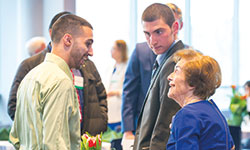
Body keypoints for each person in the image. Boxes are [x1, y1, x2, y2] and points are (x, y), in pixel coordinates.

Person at [7, 11, 107, 136]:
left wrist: (99, 124)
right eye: (87, 43)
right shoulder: (32, 67)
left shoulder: (88, 65)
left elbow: (101, 96)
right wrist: (38, 133)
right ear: (66, 38)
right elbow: (14, 107)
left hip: (85, 139)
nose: (91, 52)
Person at [121, 3, 187, 148]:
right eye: (147, 34)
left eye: (159, 32)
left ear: (175, 28)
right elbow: (129, 92)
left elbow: (166, 122)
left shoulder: (176, 62)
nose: (152, 41)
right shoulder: (164, 57)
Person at [166, 49, 235, 150]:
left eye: (176, 71)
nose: (169, 77)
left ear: (192, 83)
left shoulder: (187, 115)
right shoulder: (213, 110)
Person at [103, 40, 128, 150]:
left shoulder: (126, 66)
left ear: (120, 50)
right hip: (109, 109)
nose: (111, 51)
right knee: (109, 142)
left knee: (118, 142)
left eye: (113, 49)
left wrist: (115, 92)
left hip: (119, 108)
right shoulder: (110, 67)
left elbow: (128, 89)